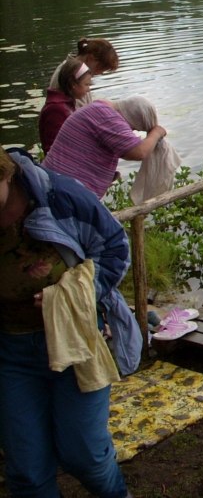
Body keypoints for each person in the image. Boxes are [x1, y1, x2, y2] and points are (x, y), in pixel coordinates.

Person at [0, 146, 139, 498]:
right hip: (10, 352)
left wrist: (72, 297)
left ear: (7, 175)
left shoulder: (58, 196)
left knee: (85, 457)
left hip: (76, 340)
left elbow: (114, 247)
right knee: (27, 471)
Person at [42, 97, 168, 199]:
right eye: (133, 128)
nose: (131, 131)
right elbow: (139, 152)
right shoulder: (108, 116)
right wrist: (156, 133)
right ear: (131, 117)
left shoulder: (100, 108)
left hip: (57, 184)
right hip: (62, 192)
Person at [38, 56, 92, 153]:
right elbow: (53, 149)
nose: (88, 90)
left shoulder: (67, 104)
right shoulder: (56, 109)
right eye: (86, 84)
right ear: (73, 84)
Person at [48, 38, 120, 108]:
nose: (100, 73)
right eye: (100, 68)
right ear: (90, 58)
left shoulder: (79, 73)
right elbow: (79, 111)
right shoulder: (69, 75)